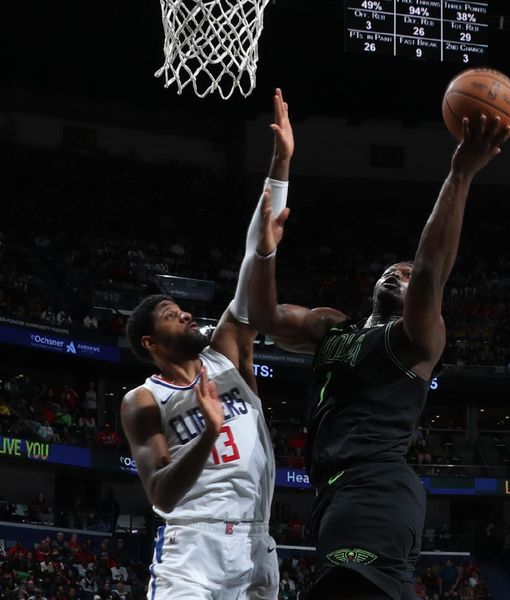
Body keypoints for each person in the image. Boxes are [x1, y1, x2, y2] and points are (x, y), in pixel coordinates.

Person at [249, 114, 510, 599]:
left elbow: (432, 268)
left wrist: (460, 174)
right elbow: (263, 315)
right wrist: (264, 250)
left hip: (375, 490)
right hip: (335, 496)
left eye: (408, 274)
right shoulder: (332, 325)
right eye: (395, 269)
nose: (400, 271)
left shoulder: (417, 338)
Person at [120, 88, 294, 599]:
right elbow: (162, 496)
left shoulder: (229, 351)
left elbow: (252, 253)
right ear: (152, 342)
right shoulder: (143, 400)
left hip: (258, 546)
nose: (188, 314)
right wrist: (207, 433)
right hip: (193, 549)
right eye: (174, 316)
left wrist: (280, 164)